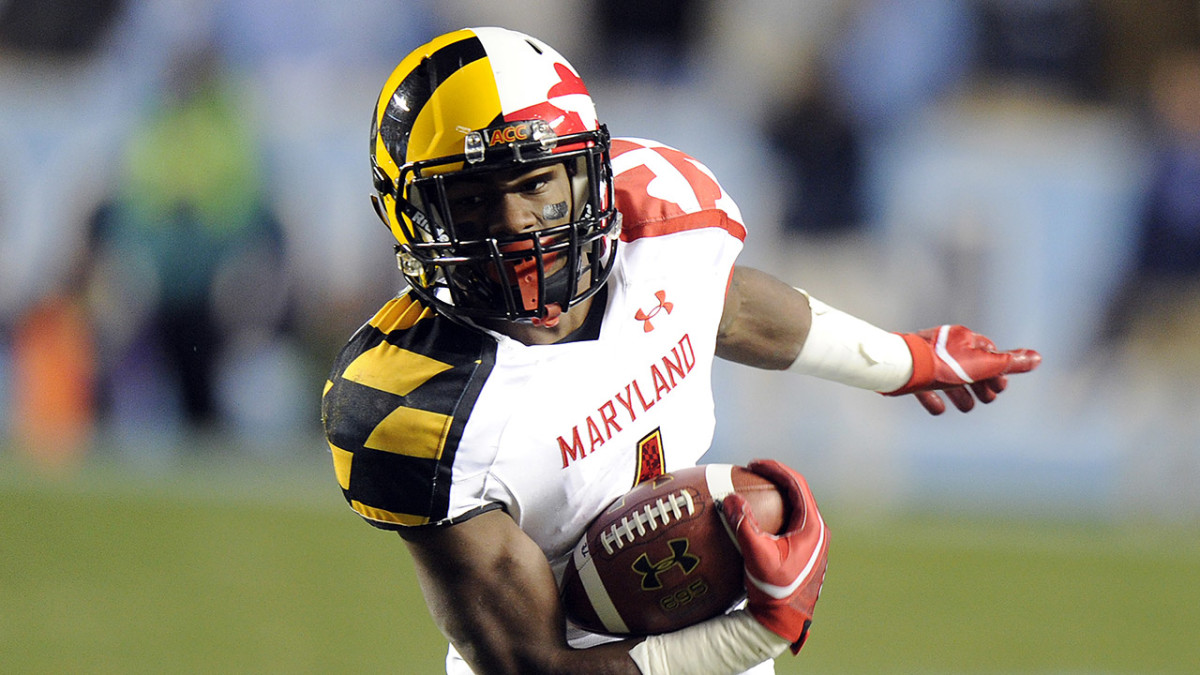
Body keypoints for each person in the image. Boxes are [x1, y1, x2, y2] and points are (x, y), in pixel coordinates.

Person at [320, 27, 1041, 675]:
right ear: (411, 216)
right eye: (472, 199)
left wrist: (903, 360)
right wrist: (752, 632)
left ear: (587, 176)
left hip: (702, 625)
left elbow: (732, 308)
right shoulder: (414, 402)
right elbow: (532, 665)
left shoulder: (658, 227)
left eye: (536, 182)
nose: (516, 226)